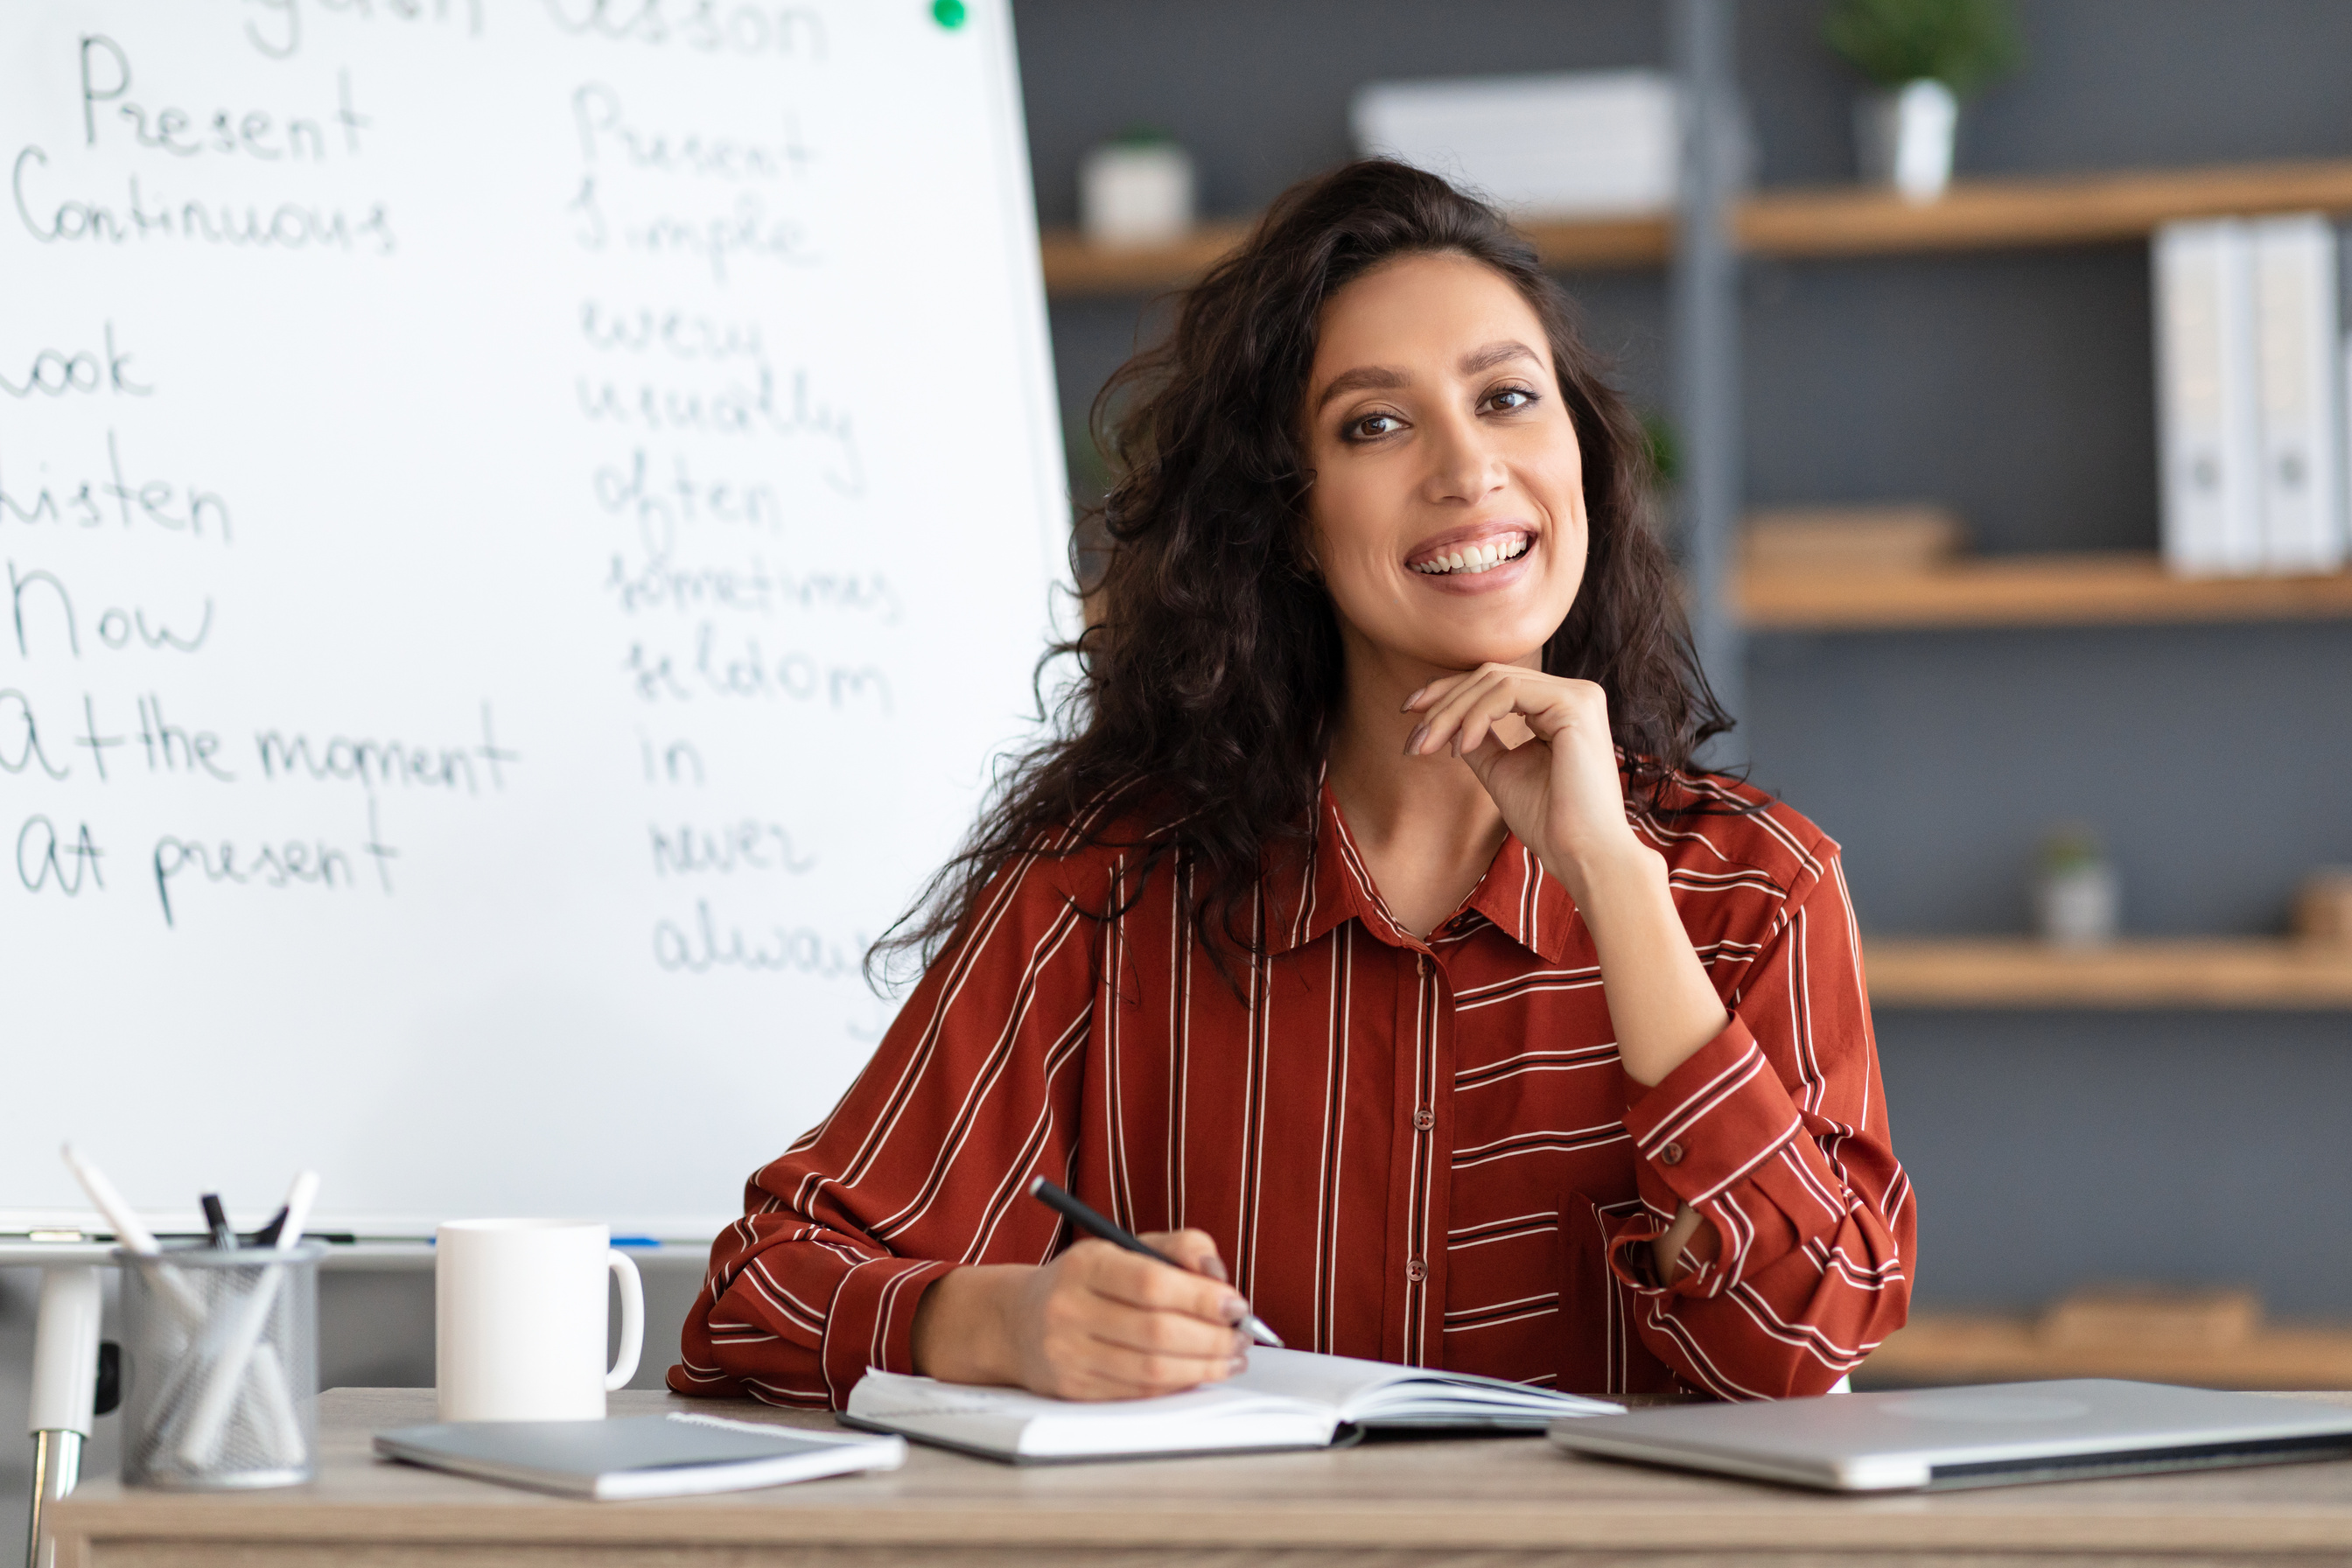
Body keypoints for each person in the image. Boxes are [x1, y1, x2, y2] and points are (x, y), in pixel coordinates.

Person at [669, 160, 1912, 1408]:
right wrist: (1000, 1324)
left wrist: (1614, 879)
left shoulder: (1755, 891)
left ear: (1580, 456)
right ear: (1289, 522)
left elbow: (1801, 1344)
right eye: (1375, 423)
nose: (1468, 468)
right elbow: (755, 1297)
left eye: (1508, 398)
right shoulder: (1104, 889)